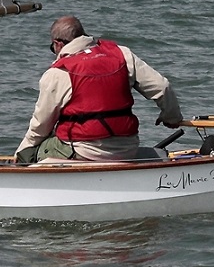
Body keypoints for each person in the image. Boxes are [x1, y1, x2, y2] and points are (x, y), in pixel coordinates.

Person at [15, 15, 184, 163]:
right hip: (128, 148)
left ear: (57, 44)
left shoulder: (58, 72)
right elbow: (162, 87)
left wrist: (21, 152)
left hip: (84, 151)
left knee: (33, 151)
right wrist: (172, 117)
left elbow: (40, 126)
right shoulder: (122, 54)